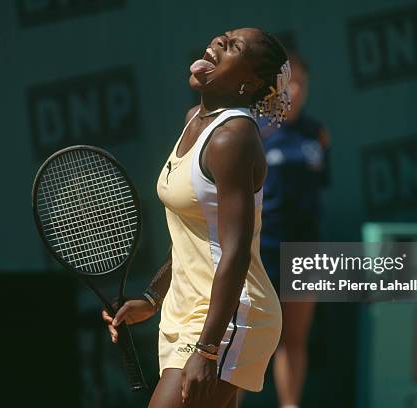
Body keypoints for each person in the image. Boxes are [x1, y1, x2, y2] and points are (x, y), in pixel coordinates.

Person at [102, 28, 290, 408]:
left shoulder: (232, 138)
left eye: (234, 46)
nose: (220, 42)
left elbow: (234, 252)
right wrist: (153, 298)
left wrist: (206, 351)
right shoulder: (194, 119)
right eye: (224, 36)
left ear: (248, 83)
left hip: (227, 317)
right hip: (183, 312)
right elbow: (200, 235)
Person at [260, 53, 330, 408]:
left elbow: (321, 186)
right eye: (288, 83)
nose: (296, 90)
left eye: (302, 82)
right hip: (261, 248)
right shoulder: (255, 132)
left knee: (294, 339)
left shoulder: (317, 134)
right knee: (248, 340)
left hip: (306, 247)